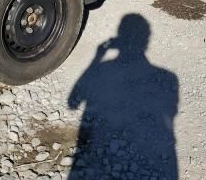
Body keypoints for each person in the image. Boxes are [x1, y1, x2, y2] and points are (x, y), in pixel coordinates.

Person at [67, 14, 179, 179]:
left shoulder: (103, 69)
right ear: (147, 41)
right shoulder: (168, 78)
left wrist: (98, 57)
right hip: (158, 162)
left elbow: (73, 102)